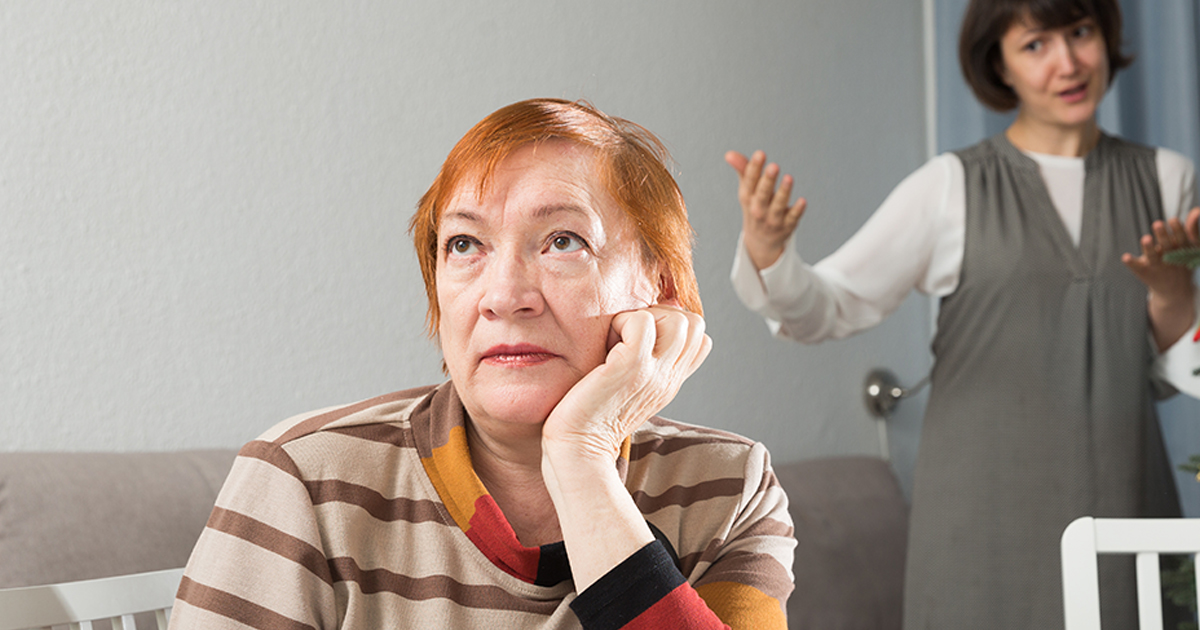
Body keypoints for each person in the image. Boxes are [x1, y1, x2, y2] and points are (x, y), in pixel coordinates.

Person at [169, 98, 795, 629]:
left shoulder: (730, 488)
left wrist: (581, 455)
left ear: (658, 291)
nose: (502, 296)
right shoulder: (306, 479)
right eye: (465, 245)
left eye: (563, 241)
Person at [726, 0, 1200, 627]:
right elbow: (829, 307)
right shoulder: (949, 187)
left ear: (1106, 36)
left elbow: (1170, 376)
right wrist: (769, 254)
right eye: (1035, 45)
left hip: (1126, 509)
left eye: (1080, 33)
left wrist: (1172, 296)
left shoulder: (1169, 180)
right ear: (998, 63)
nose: (1068, 62)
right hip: (981, 524)